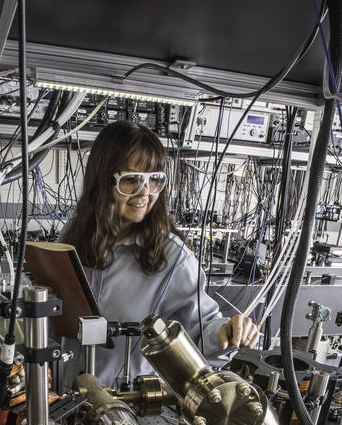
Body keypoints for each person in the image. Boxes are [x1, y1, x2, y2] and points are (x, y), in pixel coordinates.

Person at [61, 120, 259, 388]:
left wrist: (226, 331)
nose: (145, 192)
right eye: (131, 180)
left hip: (125, 408)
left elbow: (201, 332)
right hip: (63, 399)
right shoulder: (72, 240)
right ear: (103, 180)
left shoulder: (170, 257)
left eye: (155, 180)